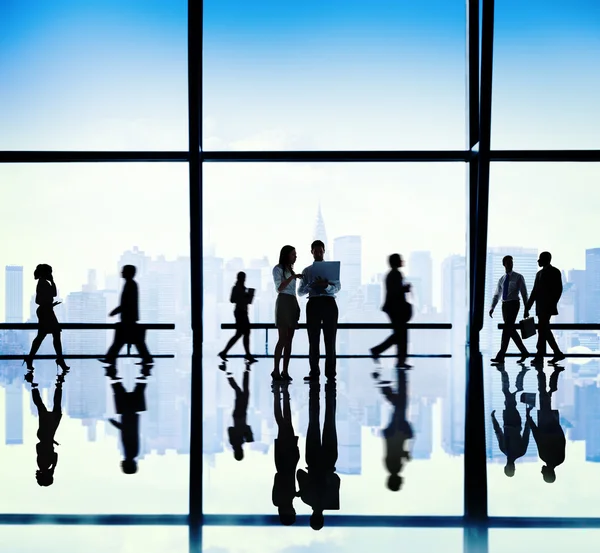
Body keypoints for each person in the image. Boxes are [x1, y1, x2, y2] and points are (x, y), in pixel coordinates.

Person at [296, 380, 340, 530]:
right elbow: (300, 473)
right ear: (311, 517)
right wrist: (302, 489)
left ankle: (330, 389)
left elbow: (336, 479)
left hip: (329, 461)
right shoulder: (306, 498)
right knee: (313, 422)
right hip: (313, 461)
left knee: (330, 421)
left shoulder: (331, 501)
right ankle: (314, 390)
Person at [298, 240, 341, 382]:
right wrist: (311, 286)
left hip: (329, 303)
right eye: (315, 251)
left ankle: (330, 374)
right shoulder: (307, 271)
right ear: (311, 252)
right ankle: (314, 372)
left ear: (324, 251)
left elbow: (337, 288)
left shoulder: (332, 269)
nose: (318, 253)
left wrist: (326, 286)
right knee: (313, 340)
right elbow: (300, 292)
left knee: (330, 340)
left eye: (320, 251)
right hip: (314, 303)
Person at [100, 265, 152, 366]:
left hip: (128, 319)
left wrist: (115, 311)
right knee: (134, 341)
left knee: (121, 341)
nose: (121, 272)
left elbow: (127, 303)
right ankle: (146, 358)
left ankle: (110, 359)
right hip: (129, 318)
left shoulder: (130, 285)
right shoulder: (131, 284)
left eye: (123, 271)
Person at [373, 367, 413, 491]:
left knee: (401, 404)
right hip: (394, 433)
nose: (402, 482)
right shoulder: (391, 468)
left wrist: (406, 455)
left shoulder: (394, 468)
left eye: (400, 484)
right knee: (400, 404)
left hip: (396, 432)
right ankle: (385, 383)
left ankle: (389, 381)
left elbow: (397, 451)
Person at [24, 264, 69, 373]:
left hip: (46, 311)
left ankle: (30, 358)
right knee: (52, 335)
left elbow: (50, 295)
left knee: (44, 336)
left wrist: (50, 304)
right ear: (46, 273)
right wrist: (52, 282)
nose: (51, 274)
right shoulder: (43, 283)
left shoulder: (43, 283)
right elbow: (42, 299)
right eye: (49, 272)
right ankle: (59, 359)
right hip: (46, 312)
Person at [370, 254, 412, 369]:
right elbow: (396, 292)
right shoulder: (396, 274)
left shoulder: (391, 274)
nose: (402, 261)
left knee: (399, 335)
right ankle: (381, 352)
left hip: (393, 309)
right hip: (396, 309)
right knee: (400, 335)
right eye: (400, 260)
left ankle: (398, 359)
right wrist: (405, 289)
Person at [491, 365, 532, 477]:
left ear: (506, 466)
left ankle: (515, 374)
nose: (510, 467)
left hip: (510, 421)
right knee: (508, 395)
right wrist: (528, 417)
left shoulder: (506, 449)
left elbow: (498, 432)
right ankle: (506, 372)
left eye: (509, 468)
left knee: (509, 397)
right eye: (511, 469)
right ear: (513, 468)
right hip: (512, 422)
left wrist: (493, 419)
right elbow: (526, 434)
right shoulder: (519, 452)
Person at [527, 365, 566, 483]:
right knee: (543, 394)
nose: (541, 472)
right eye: (543, 474)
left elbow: (562, 440)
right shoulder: (544, 456)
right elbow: (537, 436)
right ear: (548, 473)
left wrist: (556, 424)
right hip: (545, 422)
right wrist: (529, 419)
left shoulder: (560, 459)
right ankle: (540, 370)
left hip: (553, 422)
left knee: (548, 395)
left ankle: (555, 373)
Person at [489, 255, 531, 365]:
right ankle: (524, 352)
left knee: (507, 328)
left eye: (511, 262)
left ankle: (501, 355)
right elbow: (497, 295)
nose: (510, 264)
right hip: (505, 306)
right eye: (508, 262)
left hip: (514, 304)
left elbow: (524, 293)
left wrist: (526, 308)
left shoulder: (518, 277)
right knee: (510, 329)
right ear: (504, 264)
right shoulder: (502, 279)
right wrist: (492, 307)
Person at [525, 252, 565, 366]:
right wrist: (528, 307)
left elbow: (558, 290)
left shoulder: (555, 272)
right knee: (544, 330)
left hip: (547, 307)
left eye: (540, 259)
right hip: (540, 307)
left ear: (545, 259)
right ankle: (556, 353)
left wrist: (552, 304)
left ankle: (540, 354)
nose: (538, 261)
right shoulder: (539, 274)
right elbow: (534, 291)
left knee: (543, 329)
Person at [31, 369, 68, 486]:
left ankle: (58, 384)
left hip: (48, 433)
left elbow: (54, 454)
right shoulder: (42, 464)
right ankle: (33, 385)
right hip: (44, 435)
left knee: (52, 408)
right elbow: (39, 446)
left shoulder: (46, 464)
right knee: (42, 408)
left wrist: (54, 466)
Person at [271, 246, 302, 382]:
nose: (295, 256)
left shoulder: (291, 270)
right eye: (293, 254)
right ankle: (276, 370)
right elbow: (279, 287)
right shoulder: (277, 269)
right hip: (283, 301)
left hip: (292, 301)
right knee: (282, 338)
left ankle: (285, 371)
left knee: (289, 340)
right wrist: (293, 277)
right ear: (286, 255)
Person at [271, 381, 300, 525]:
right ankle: (281, 394)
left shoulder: (286, 498)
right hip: (284, 461)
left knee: (284, 424)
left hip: (286, 461)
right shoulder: (280, 500)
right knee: (285, 424)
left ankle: (279, 394)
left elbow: (279, 478)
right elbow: (277, 478)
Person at [219, 271, 257, 363]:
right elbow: (232, 300)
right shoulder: (236, 288)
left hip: (242, 312)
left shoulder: (242, 288)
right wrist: (243, 296)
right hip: (240, 312)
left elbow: (246, 301)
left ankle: (226, 352)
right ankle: (246, 354)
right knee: (243, 333)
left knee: (241, 334)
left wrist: (247, 296)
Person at [226, 363, 254, 461]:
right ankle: (244, 369)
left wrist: (245, 433)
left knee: (242, 392)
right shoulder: (236, 442)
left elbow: (231, 429)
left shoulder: (236, 442)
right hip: (239, 415)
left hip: (240, 415)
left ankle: (244, 369)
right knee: (241, 391)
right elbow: (230, 429)